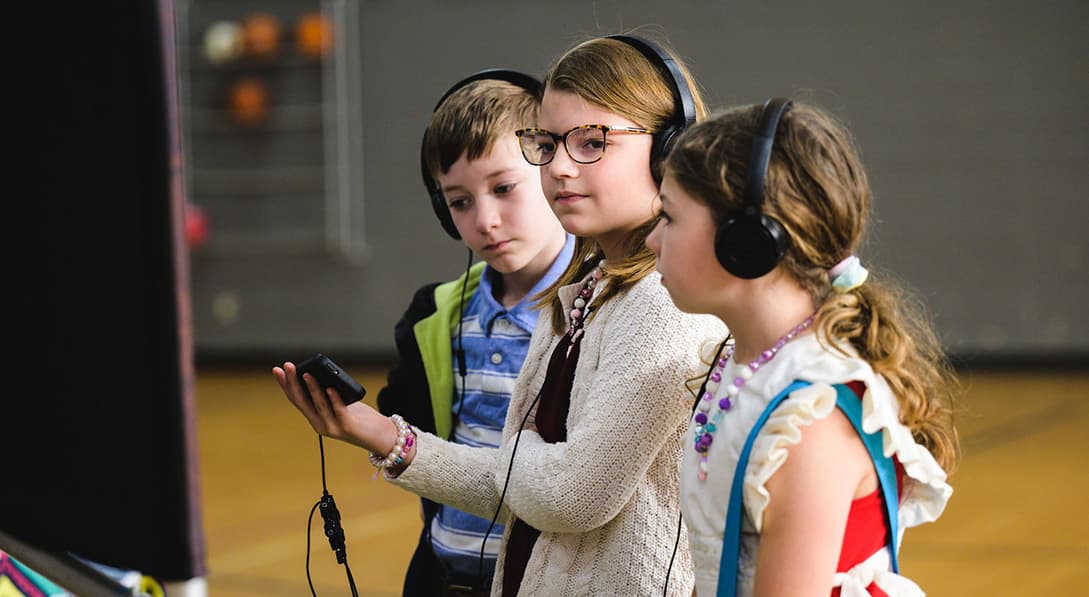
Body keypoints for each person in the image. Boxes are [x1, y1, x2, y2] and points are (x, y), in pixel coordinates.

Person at [273, 33, 726, 596]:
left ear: (669, 149)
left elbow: (569, 497)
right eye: (549, 143)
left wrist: (523, 457)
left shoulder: (665, 303)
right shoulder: (584, 292)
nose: (560, 167)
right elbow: (529, 491)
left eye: (590, 142)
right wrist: (384, 435)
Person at [645, 98, 960, 596]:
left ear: (744, 241)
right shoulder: (744, 365)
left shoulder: (810, 419)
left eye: (669, 217)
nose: (652, 241)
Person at [375, 71, 574, 596]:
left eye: (504, 188)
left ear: (554, 172)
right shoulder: (435, 318)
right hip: (446, 576)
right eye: (460, 201)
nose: (485, 220)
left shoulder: (601, 313)